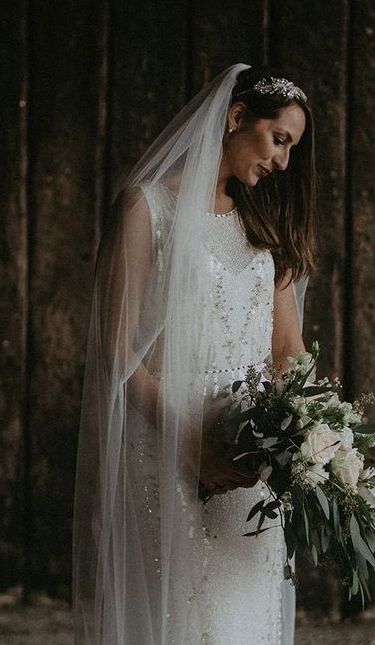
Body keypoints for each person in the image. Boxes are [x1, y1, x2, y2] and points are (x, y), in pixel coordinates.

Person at [72, 63, 316, 644]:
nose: (283, 160)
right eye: (278, 139)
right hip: (168, 441)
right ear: (236, 118)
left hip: (249, 444)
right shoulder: (146, 209)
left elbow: (287, 347)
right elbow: (116, 351)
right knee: (184, 616)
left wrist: (306, 432)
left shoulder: (264, 225)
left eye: (292, 148)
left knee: (242, 612)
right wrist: (191, 446)